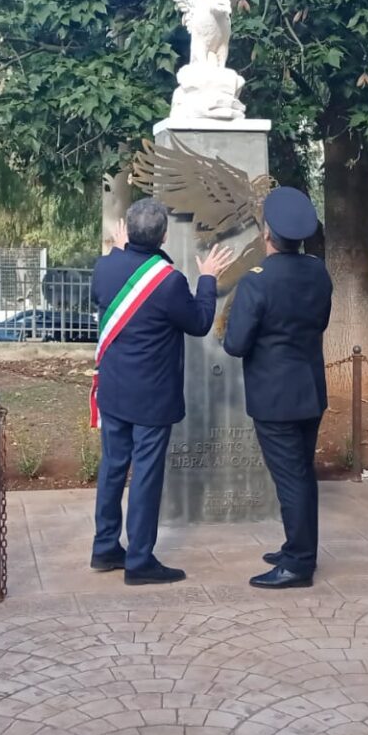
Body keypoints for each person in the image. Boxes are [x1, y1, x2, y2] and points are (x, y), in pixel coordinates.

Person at [89, 198, 233, 585]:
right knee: (146, 476)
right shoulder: (169, 281)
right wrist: (207, 278)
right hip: (151, 396)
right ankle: (138, 561)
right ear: (164, 235)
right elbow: (200, 322)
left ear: (127, 232)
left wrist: (119, 251)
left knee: (113, 469)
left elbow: (106, 294)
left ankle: (104, 548)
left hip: (114, 390)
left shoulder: (105, 267)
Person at [222, 188, 331, 589]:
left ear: (268, 232)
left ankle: (299, 563)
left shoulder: (258, 282)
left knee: (291, 478)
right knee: (302, 473)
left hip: (275, 396)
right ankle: (297, 547)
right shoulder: (318, 270)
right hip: (309, 388)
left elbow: (235, 344)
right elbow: (319, 322)